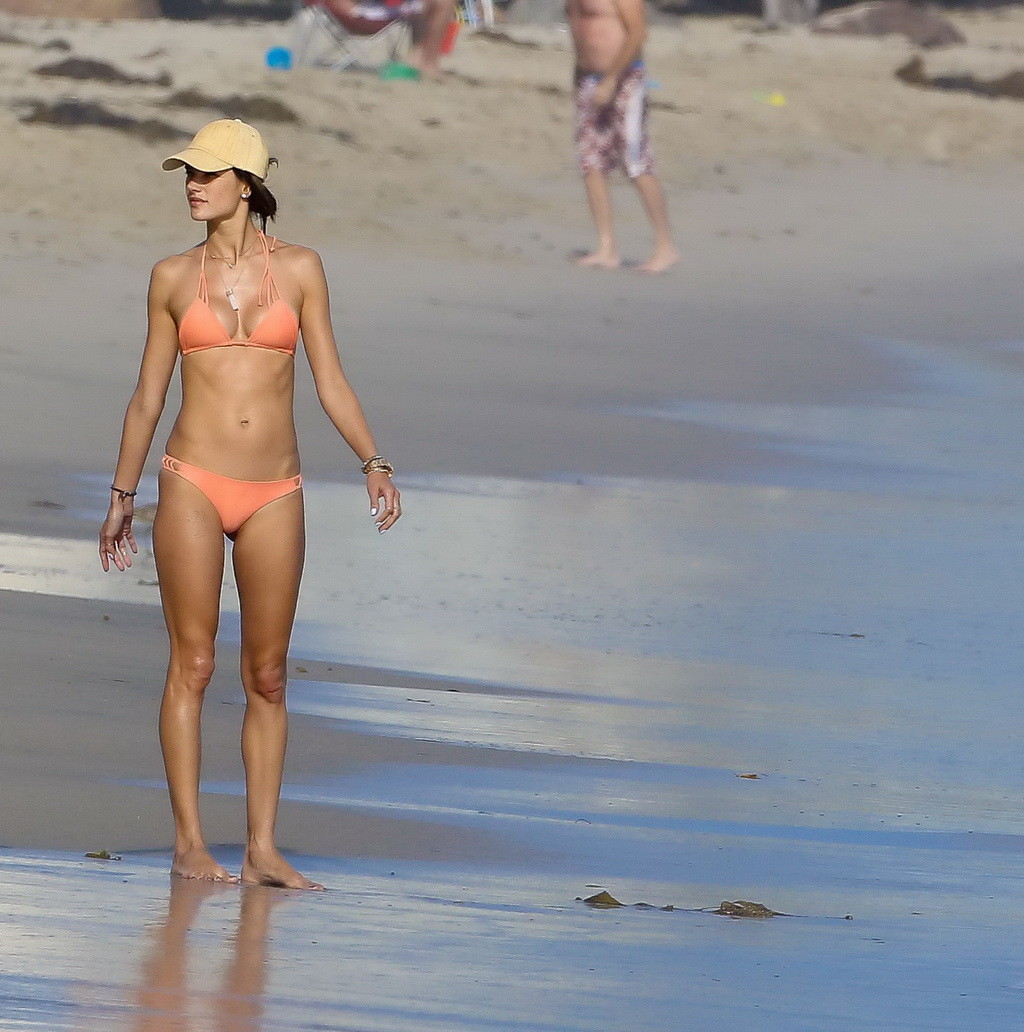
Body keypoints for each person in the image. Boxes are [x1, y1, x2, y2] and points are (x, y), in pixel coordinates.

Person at [99, 118, 401, 890]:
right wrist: (121, 495)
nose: (192, 185)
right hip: (192, 479)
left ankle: (262, 847)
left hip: (276, 490)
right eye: (187, 174)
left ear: (248, 183)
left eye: (206, 173)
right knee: (192, 665)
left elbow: (330, 377)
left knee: (268, 675)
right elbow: (146, 397)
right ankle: (190, 843)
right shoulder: (171, 277)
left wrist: (372, 460)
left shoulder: (300, 269)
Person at [566, 0, 679, 273]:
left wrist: (611, 79)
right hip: (588, 78)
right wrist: (579, 75)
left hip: (624, 78)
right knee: (590, 162)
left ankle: (665, 246)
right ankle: (606, 247)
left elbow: (638, 32)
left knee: (635, 162)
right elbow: (579, 29)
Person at [324, 0, 454, 79]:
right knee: (442, 3)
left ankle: (423, 62)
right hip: (359, 15)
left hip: (354, 12)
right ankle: (424, 64)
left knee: (428, 4)